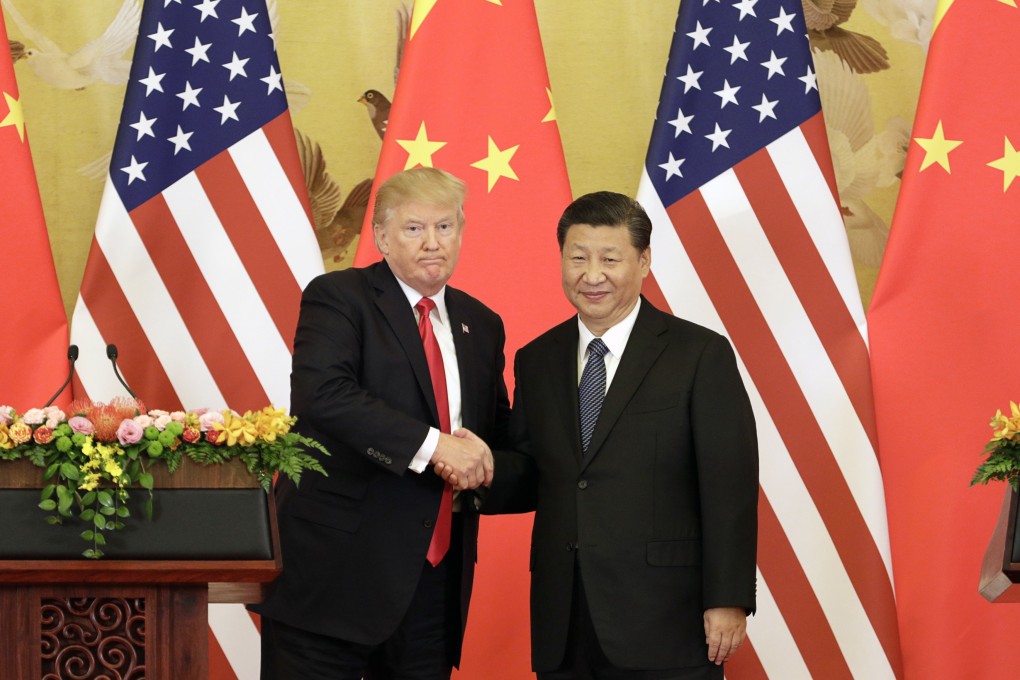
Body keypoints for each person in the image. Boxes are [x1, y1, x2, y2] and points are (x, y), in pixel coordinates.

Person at [450, 191, 758, 679]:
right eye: (578, 258)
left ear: (644, 261)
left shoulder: (699, 354)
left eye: (609, 259)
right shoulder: (538, 358)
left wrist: (728, 598)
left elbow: (729, 488)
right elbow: (535, 473)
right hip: (564, 617)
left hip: (665, 618)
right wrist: (478, 467)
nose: (592, 276)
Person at [252, 167, 510, 680]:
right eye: (415, 228)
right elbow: (322, 395)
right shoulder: (339, 297)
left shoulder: (481, 323)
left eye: (445, 226)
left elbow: (492, 438)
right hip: (332, 579)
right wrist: (436, 447)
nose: (432, 242)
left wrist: (486, 465)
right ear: (382, 236)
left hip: (431, 584)